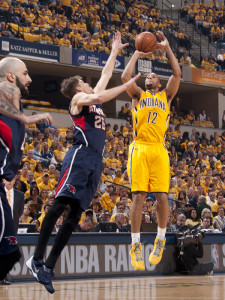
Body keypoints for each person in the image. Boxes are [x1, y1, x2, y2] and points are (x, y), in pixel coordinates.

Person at [26, 32, 140, 294]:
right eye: (84, 83)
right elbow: (99, 96)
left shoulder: (91, 97)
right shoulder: (77, 100)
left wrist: (113, 52)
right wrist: (128, 84)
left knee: (75, 214)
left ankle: (48, 267)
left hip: (95, 162)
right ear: (78, 88)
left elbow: (104, 76)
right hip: (80, 155)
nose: (90, 84)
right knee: (59, 204)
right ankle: (38, 257)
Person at [121, 31, 181, 270]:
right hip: (140, 147)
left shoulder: (166, 95)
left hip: (159, 149)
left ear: (159, 83)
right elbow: (126, 76)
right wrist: (137, 52)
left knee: (162, 197)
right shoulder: (138, 95)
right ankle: (135, 244)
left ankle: (160, 238)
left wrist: (166, 48)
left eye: (153, 76)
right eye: (148, 76)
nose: (149, 77)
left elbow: (177, 73)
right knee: (138, 196)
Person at [0, 56, 53, 283]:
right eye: (25, 73)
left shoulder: (15, 105)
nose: (29, 78)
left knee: (9, 253)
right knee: (8, 252)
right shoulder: (6, 89)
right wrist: (27, 118)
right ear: (11, 77)